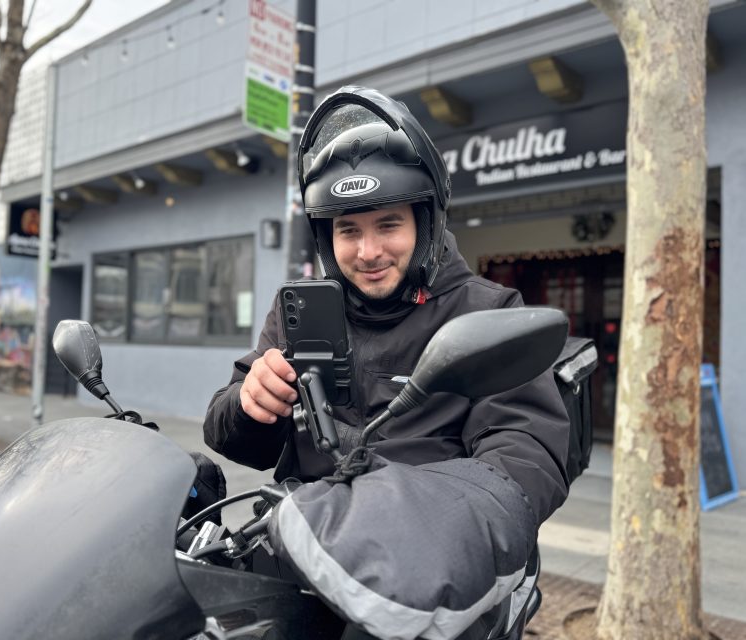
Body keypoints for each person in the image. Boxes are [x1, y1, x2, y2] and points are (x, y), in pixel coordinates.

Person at [203, 86, 570, 527]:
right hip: (305, 542)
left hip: (427, 549)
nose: (368, 251)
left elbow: (526, 453)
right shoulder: (300, 313)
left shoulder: (486, 310)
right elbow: (234, 442)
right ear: (326, 238)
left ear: (425, 223)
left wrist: (433, 516)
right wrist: (250, 405)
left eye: (388, 224)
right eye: (348, 230)